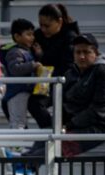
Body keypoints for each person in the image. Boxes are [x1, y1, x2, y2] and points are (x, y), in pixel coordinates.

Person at [0, 19, 43, 175]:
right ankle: (15, 157)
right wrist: (33, 64)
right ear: (17, 36)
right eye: (28, 34)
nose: (32, 38)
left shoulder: (26, 51)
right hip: (17, 92)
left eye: (32, 34)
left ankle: (19, 157)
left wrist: (37, 56)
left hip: (24, 92)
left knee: (21, 124)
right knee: (17, 124)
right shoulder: (15, 52)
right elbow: (15, 69)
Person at [27, 3, 80, 133]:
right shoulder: (38, 36)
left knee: (63, 110)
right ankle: (50, 133)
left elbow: (67, 66)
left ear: (59, 22)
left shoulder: (70, 37)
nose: (43, 29)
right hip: (45, 81)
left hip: (65, 82)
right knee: (33, 103)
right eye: (41, 25)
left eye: (47, 26)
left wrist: (42, 58)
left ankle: (54, 136)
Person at [60, 33, 105, 156]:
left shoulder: (103, 71)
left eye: (86, 52)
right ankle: (18, 163)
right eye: (78, 52)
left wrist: (69, 125)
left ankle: (23, 167)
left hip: (101, 126)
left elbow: (99, 110)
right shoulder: (71, 72)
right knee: (44, 139)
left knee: (55, 146)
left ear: (96, 53)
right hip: (79, 124)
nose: (82, 56)